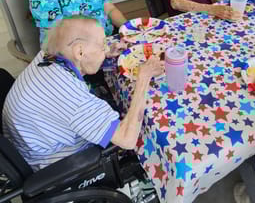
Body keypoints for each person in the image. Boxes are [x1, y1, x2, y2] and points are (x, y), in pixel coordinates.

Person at [2, 16, 164, 171]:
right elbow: (127, 139)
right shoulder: (72, 98)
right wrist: (144, 77)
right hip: (56, 164)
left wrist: (103, 55)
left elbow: (76, 65)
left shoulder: (47, 55)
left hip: (32, 141)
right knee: (149, 130)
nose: (106, 48)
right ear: (79, 52)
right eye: (102, 46)